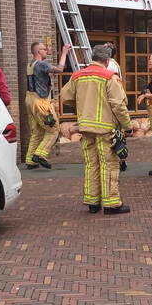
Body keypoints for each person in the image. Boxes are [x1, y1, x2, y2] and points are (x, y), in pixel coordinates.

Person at [60, 44, 133, 215]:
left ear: (92, 58)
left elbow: (65, 97)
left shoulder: (78, 75)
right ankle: (111, 204)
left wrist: (82, 105)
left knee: (91, 164)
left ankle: (92, 202)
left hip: (85, 128)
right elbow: (118, 105)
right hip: (106, 129)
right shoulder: (109, 77)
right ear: (107, 60)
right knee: (109, 165)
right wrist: (127, 126)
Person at [24, 41, 71, 169]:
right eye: (44, 49)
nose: (46, 51)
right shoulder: (41, 64)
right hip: (41, 102)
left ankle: (30, 160)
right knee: (53, 129)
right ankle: (40, 155)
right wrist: (65, 52)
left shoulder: (30, 64)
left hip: (29, 100)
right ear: (39, 52)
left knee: (37, 131)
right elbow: (60, 69)